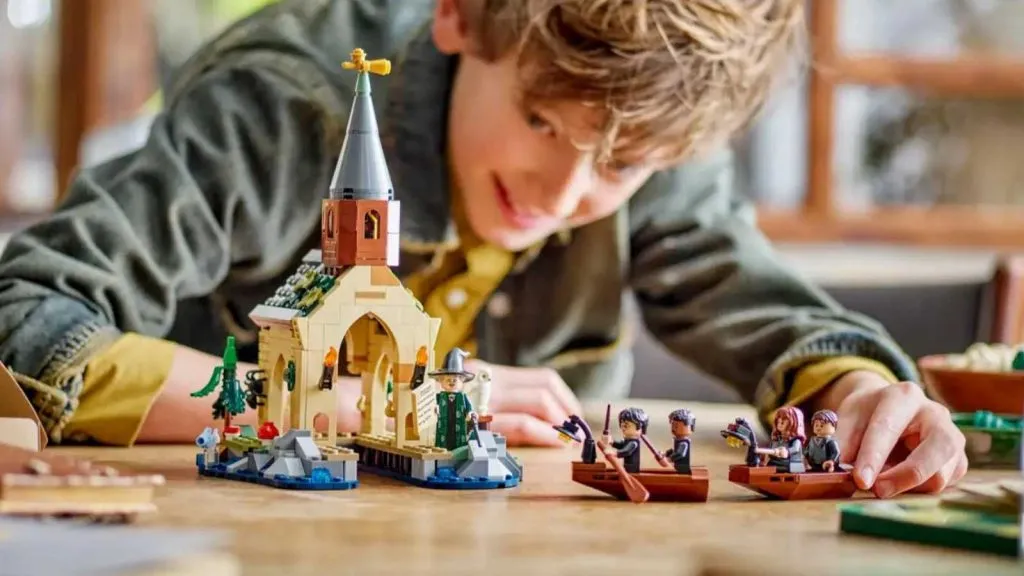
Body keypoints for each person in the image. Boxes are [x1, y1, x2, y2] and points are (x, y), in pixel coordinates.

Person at [0, 0, 965, 499]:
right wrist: (340, 411)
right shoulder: (285, 108)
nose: (565, 195)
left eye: (621, 170)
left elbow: (766, 311)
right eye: (543, 122)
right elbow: (25, 324)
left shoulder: (648, 130)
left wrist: (857, 395)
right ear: (460, 14)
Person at [601, 407, 649, 474]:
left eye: (627, 425)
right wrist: (611, 441)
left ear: (640, 428)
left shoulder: (634, 443)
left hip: (632, 470)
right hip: (627, 468)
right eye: (622, 424)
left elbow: (626, 451)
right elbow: (621, 445)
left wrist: (615, 453)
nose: (623, 427)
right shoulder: (628, 441)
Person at [764, 406, 806, 474]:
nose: (779, 424)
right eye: (778, 422)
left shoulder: (795, 440)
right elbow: (772, 450)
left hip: (793, 463)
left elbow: (795, 449)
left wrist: (787, 451)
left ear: (794, 423)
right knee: (770, 464)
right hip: (779, 462)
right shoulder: (778, 439)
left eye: (782, 422)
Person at [664, 408, 695, 475]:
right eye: (673, 425)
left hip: (682, 468)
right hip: (678, 466)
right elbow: (676, 450)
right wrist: (667, 453)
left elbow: (680, 454)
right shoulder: (679, 440)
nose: (673, 428)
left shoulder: (684, 443)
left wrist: (670, 459)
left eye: (676, 426)